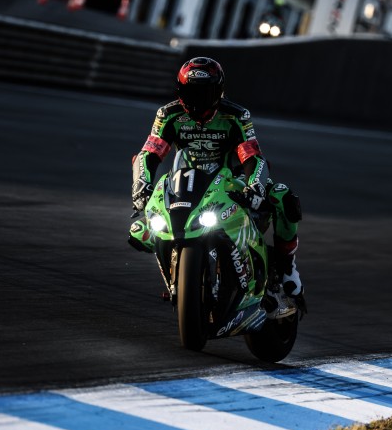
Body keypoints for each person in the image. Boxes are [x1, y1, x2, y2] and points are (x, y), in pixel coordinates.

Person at [131, 56, 306, 317]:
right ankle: (176, 276)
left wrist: (254, 187)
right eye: (191, 92)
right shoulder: (168, 114)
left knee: (283, 197)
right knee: (140, 229)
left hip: (228, 180)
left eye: (206, 92)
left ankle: (288, 267)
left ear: (219, 91)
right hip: (184, 181)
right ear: (180, 91)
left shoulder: (236, 115)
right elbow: (149, 153)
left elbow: (252, 156)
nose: (198, 99)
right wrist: (141, 186)